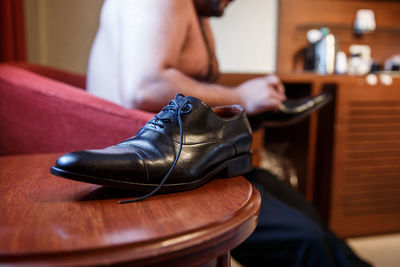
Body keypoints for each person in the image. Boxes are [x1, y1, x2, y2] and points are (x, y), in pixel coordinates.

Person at [87, 0, 372, 266]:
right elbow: (145, 88)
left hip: (199, 162)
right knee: (305, 239)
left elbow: (188, 101)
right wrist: (240, 95)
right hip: (155, 169)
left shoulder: (196, 10)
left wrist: (253, 102)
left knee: (309, 215)